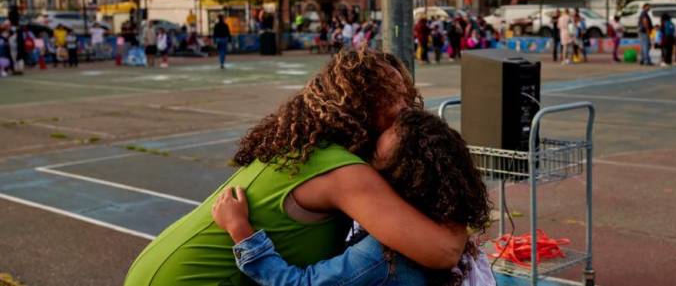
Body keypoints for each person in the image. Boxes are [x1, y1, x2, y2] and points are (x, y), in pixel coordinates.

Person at [123, 49, 469, 286]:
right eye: (394, 95)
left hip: (166, 267)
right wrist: (460, 206)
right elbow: (441, 252)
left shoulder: (307, 148)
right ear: (359, 106)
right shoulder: (344, 172)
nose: (407, 103)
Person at [213, 109, 493, 286]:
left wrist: (242, 233)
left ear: (405, 182)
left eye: (374, 160)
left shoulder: (383, 257)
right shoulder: (442, 222)